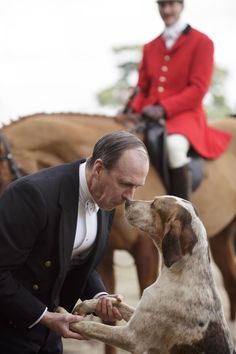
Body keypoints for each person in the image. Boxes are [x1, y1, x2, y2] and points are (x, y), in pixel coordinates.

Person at [0, 131, 149, 354]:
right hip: (8, 329)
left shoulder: (106, 197)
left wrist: (100, 296)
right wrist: (45, 317)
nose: (130, 197)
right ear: (98, 169)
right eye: (125, 184)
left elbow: (78, 261)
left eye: (137, 186)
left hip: (50, 334)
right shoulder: (32, 195)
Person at [130, 0, 231, 199]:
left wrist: (164, 108)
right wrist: (132, 109)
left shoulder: (202, 42)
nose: (166, 10)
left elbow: (198, 89)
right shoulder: (150, 47)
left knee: (175, 147)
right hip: (149, 115)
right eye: (162, 5)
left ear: (181, 5)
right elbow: (142, 88)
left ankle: (181, 214)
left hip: (184, 116)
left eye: (171, 5)